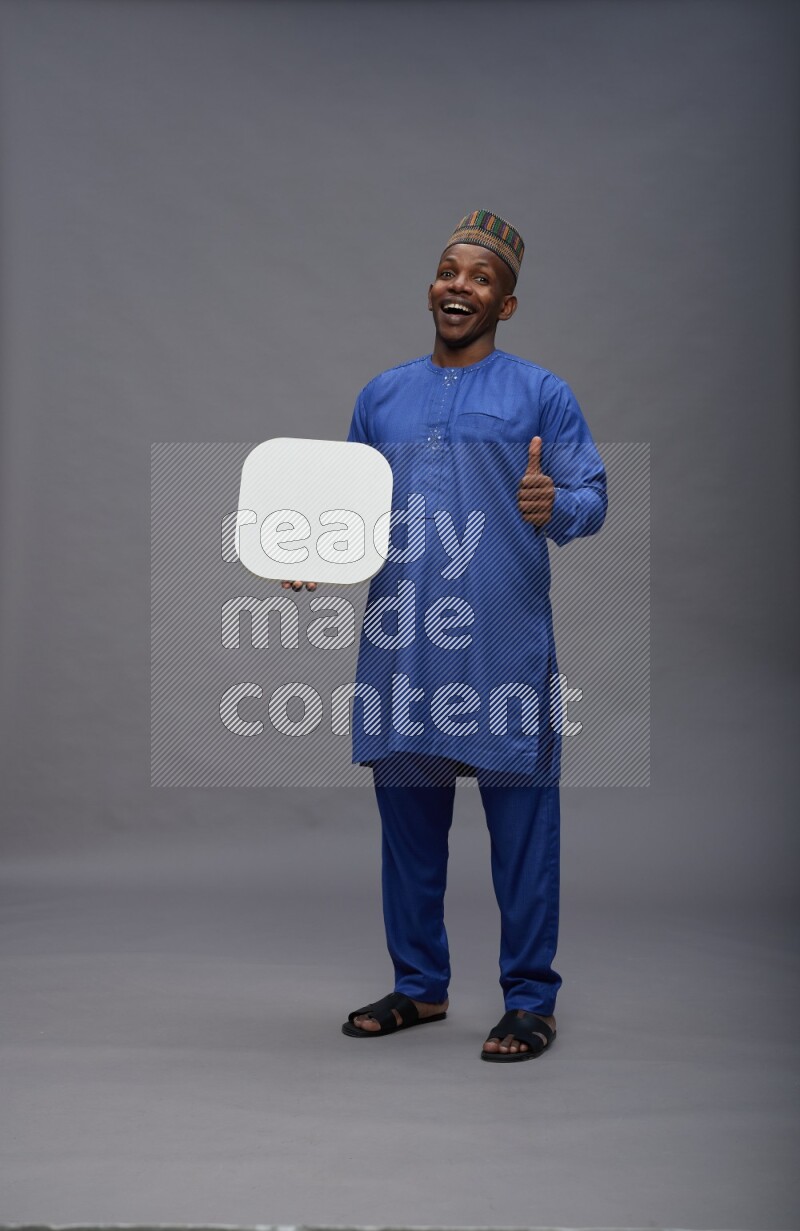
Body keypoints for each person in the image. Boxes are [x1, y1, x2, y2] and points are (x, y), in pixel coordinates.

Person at [285, 210, 607, 1062]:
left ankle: (529, 999)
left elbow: (591, 497)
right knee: (409, 838)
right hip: (404, 649)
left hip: (503, 650)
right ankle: (420, 986)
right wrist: (310, 553)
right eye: (447, 270)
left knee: (524, 835)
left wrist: (557, 507)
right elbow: (346, 516)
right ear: (432, 286)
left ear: (505, 303)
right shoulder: (381, 395)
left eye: (480, 277)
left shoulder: (541, 393)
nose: (457, 285)